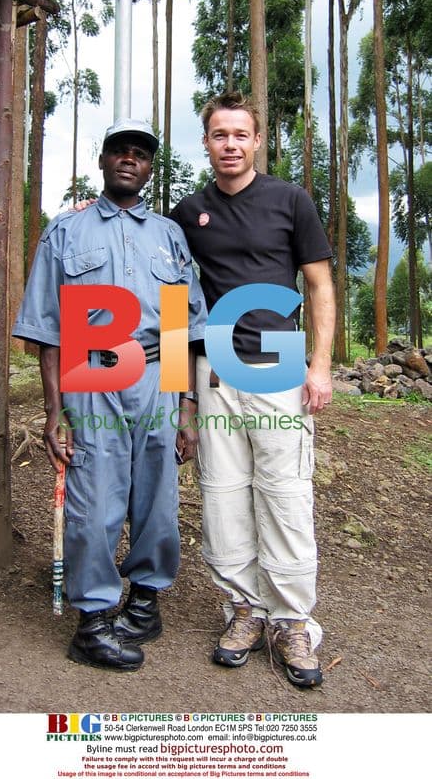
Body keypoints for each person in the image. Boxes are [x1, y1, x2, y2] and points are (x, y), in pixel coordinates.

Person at [13, 119, 207, 672]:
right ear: (102, 161)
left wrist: (186, 407)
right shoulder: (65, 231)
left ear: (149, 168)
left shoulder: (169, 236)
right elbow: (48, 329)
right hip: (91, 372)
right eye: (119, 150)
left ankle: (145, 603)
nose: (129, 159)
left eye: (140, 153)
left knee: (158, 498)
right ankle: (93, 621)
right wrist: (54, 412)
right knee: (94, 499)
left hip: (156, 376)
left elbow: (180, 326)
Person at [169, 91, 335, 687]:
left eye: (241, 135)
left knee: (285, 495)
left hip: (279, 369)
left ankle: (292, 621)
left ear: (258, 141)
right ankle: (244, 609)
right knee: (221, 496)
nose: (231, 145)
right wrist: (181, 397)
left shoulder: (291, 201)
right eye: (220, 135)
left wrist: (320, 366)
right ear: (206, 142)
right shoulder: (188, 213)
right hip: (214, 371)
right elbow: (173, 304)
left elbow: (319, 286)